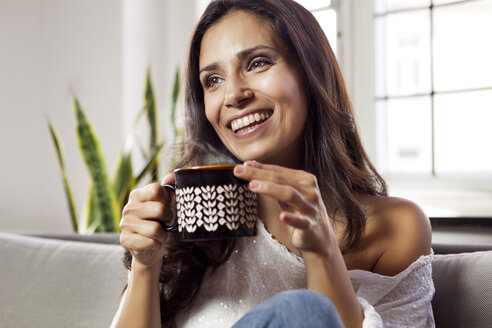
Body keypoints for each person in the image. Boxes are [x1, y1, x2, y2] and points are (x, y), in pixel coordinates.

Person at [111, 0, 435, 327]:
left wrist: (322, 253)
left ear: (311, 73)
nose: (233, 95)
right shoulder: (185, 222)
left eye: (257, 63)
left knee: (305, 311)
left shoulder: (396, 227)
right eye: (213, 80)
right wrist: (145, 265)